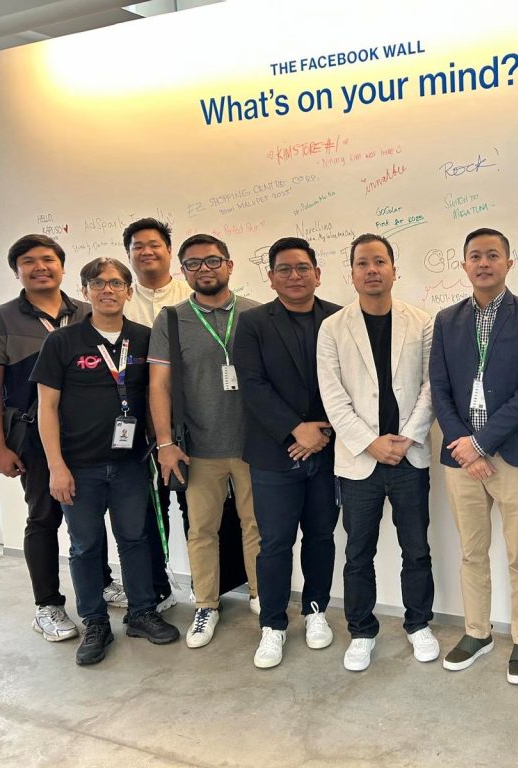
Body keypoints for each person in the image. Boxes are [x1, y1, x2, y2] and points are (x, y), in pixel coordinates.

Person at [31, 257, 179, 664]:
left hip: (131, 464)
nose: (108, 290)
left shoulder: (145, 337)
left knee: (135, 539)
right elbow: (47, 408)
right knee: (85, 547)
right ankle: (95, 622)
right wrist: (56, 467)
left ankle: (142, 612)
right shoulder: (62, 342)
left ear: (129, 290)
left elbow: (159, 393)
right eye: (98, 283)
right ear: (85, 291)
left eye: (116, 283)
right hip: (79, 467)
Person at [430, 227, 518, 684]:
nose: (484, 263)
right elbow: (439, 389)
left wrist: (482, 444)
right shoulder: (446, 319)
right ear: (464, 265)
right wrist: (465, 446)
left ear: (508, 262)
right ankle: (477, 632)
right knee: (471, 551)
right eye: (475, 256)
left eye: (493, 255)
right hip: (461, 459)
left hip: (512, 454)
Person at [316, 233, 438, 672]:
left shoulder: (422, 322)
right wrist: (370, 442)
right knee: (357, 552)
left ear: (393, 269)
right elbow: (333, 395)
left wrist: (405, 438)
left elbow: (431, 386)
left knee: (416, 549)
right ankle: (362, 631)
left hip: (409, 457)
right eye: (363, 263)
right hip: (358, 461)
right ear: (351, 273)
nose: (372, 269)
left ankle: (418, 624)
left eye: (380, 261)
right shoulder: (332, 328)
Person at [0, 234, 90, 642]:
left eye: (48, 259)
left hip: (87, 435)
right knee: (44, 517)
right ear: (17, 271)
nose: (40, 267)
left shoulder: (86, 312)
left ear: (62, 265)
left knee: (89, 515)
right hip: (33, 436)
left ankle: (102, 581)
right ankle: (47, 606)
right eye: (28, 261)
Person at [148, 234, 261, 649]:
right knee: (202, 530)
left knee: (257, 525)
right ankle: (207, 605)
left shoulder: (255, 313)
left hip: (254, 445)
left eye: (212, 261)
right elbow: (158, 384)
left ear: (229, 265)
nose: (204, 269)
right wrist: (164, 443)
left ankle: (260, 596)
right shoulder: (172, 319)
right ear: (183, 272)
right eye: (193, 264)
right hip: (197, 448)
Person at [236, 237, 342, 669]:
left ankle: (315, 611)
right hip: (274, 454)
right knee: (275, 543)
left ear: (317, 273)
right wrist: (294, 430)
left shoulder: (339, 318)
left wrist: (324, 431)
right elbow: (253, 385)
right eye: (284, 269)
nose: (294, 276)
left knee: (321, 536)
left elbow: (352, 382)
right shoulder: (254, 322)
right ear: (271, 277)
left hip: (329, 450)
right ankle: (273, 626)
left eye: (302, 268)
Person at [111, 217, 193, 611]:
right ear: (129, 255)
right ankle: (157, 589)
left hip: (193, 422)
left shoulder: (189, 295)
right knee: (148, 512)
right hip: (138, 426)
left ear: (168, 251)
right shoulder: (122, 302)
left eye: (154, 244)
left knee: (198, 509)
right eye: (137, 246)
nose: (146, 252)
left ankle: (209, 586)